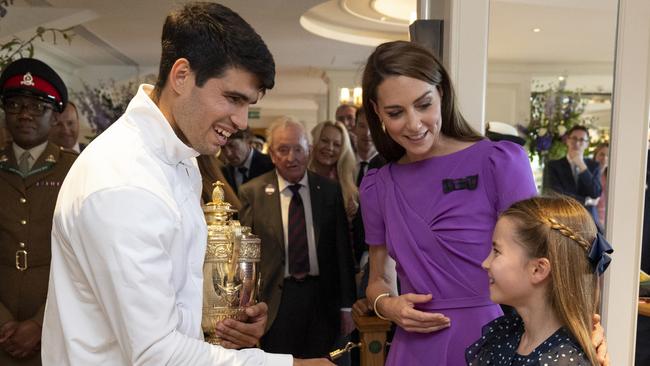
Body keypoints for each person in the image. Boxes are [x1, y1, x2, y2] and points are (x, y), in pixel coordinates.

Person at [41, 3, 330, 366]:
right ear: (181, 76)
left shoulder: (182, 158)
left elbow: (175, 294)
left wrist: (230, 319)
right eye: (233, 98)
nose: (241, 121)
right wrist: (291, 365)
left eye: (248, 104)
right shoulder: (125, 183)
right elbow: (155, 353)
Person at [359, 40, 539, 365]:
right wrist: (388, 305)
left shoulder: (499, 162)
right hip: (412, 345)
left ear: (441, 93)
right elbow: (378, 279)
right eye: (396, 113)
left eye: (423, 104)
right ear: (376, 111)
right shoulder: (378, 185)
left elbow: (543, 263)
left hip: (493, 340)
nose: (414, 124)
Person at [238, 117, 356, 359]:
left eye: (298, 149)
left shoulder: (329, 190)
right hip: (276, 300)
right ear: (272, 154)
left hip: (322, 299)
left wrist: (347, 305)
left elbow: (342, 252)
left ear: (309, 151)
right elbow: (244, 255)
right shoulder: (253, 192)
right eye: (283, 150)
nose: (291, 157)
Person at [467, 196, 613, 365]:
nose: (485, 263)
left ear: (538, 269)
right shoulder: (505, 335)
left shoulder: (565, 360)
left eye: (497, 251)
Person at [0, 57, 76, 366]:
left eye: (37, 108)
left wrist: (41, 322)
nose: (25, 115)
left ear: (55, 117)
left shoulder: (75, 170)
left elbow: (81, 258)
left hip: (56, 323)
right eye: (15, 106)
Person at [543, 125, 602, 230]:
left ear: (587, 144)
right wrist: (585, 201)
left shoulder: (594, 166)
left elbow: (595, 193)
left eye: (582, 140)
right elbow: (553, 194)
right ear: (567, 140)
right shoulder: (552, 166)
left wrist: (581, 166)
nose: (577, 143)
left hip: (590, 223)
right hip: (562, 221)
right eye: (574, 138)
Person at [309, 120, 358, 219]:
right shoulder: (300, 177)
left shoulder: (347, 184)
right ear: (313, 142)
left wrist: (354, 215)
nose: (330, 148)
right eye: (324, 141)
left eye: (336, 145)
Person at [221, 128, 274, 193]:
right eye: (222, 147)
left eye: (232, 146)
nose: (228, 153)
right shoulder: (225, 171)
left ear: (247, 141)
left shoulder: (270, 165)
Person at [592, 143, 609, 229]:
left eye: (607, 155)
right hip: (591, 218)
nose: (605, 158)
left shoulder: (610, 177)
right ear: (595, 155)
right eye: (602, 154)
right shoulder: (588, 174)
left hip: (606, 219)